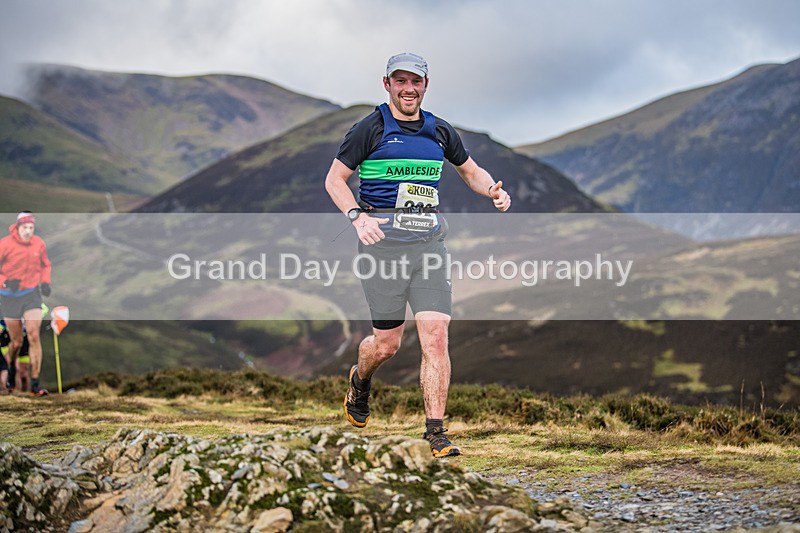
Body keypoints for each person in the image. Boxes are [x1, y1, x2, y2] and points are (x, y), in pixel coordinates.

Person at [325, 53, 511, 457]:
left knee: (436, 337)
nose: (408, 88)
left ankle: (435, 432)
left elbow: (470, 170)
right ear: (387, 84)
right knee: (387, 345)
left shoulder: (440, 131)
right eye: (400, 81)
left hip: (429, 247)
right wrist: (357, 218)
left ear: (426, 85)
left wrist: (492, 190)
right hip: (382, 250)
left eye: (416, 81)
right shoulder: (370, 128)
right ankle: (360, 380)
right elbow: (335, 179)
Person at [0, 212, 52, 396]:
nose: (28, 231)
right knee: (16, 342)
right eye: (25, 228)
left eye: (31, 228)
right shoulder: (5, 244)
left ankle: (36, 384)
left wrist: (45, 282)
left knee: (33, 335)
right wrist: (5, 282)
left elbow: (45, 264)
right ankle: (11, 373)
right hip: (9, 295)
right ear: (17, 227)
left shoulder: (39, 243)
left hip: (31, 294)